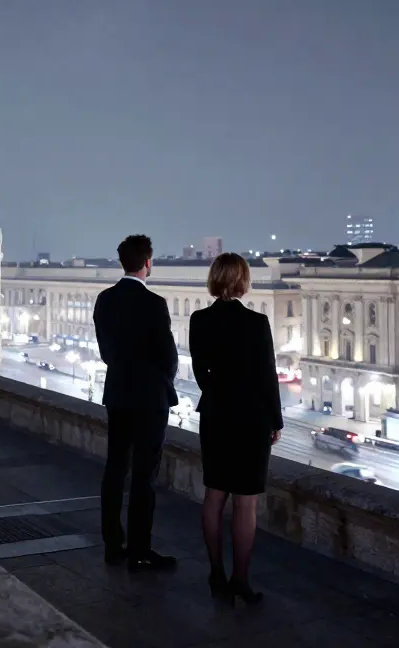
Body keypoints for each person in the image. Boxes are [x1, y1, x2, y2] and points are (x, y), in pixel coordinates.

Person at [189, 252, 283, 604]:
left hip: (215, 415)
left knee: (214, 495)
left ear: (214, 279)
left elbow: (201, 374)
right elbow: (267, 377)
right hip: (251, 419)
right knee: (245, 503)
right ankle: (240, 580)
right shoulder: (256, 324)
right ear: (244, 281)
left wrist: (218, 392)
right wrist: (275, 421)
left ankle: (215, 571)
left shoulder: (199, 320)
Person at [92, 234, 178, 571]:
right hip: (150, 399)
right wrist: (160, 383)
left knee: (115, 470)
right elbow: (168, 357)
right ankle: (140, 550)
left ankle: (113, 546)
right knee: (144, 476)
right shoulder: (154, 303)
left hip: (118, 394)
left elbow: (105, 354)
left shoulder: (105, 299)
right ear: (147, 263)